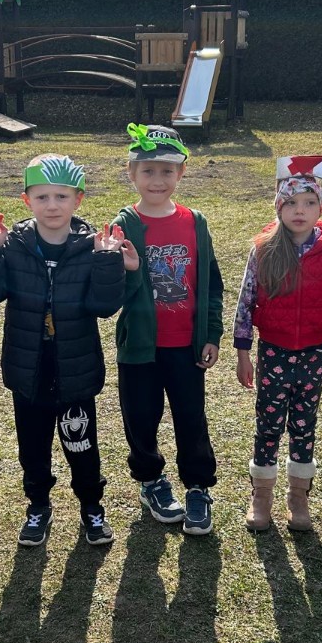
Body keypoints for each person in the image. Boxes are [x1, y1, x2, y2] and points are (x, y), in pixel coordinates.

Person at [0, 153, 132, 548]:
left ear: (78, 199)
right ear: (27, 200)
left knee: (81, 444)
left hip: (75, 370)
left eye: (61, 196)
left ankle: (92, 506)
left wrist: (107, 260)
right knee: (33, 446)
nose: (52, 205)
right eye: (42, 197)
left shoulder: (92, 245)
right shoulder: (15, 244)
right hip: (29, 368)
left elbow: (104, 307)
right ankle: (38, 505)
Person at [234, 156, 322, 533]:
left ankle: (298, 496)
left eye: (308, 202)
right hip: (273, 351)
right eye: (290, 202)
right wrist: (243, 352)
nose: (299, 210)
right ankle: (262, 495)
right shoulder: (263, 249)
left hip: (313, 353)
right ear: (279, 207)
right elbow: (246, 299)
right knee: (269, 423)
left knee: (304, 424)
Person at [112, 124, 223, 536]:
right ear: (131, 173)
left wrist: (211, 334)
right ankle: (151, 481)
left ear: (181, 173)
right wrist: (127, 270)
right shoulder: (124, 224)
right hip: (140, 347)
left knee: (191, 418)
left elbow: (211, 284)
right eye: (147, 171)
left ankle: (197, 487)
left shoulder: (195, 222)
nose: (157, 180)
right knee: (141, 418)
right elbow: (112, 295)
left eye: (166, 171)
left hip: (186, 346)